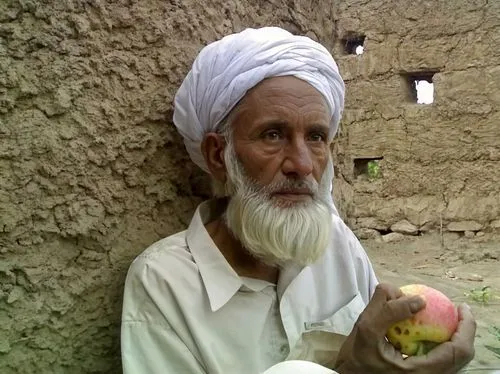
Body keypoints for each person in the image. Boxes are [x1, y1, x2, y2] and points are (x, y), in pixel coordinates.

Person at [120, 27, 476, 374]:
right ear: (218, 156)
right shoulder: (165, 283)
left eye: (317, 137)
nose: (303, 165)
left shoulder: (337, 243)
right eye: (273, 135)